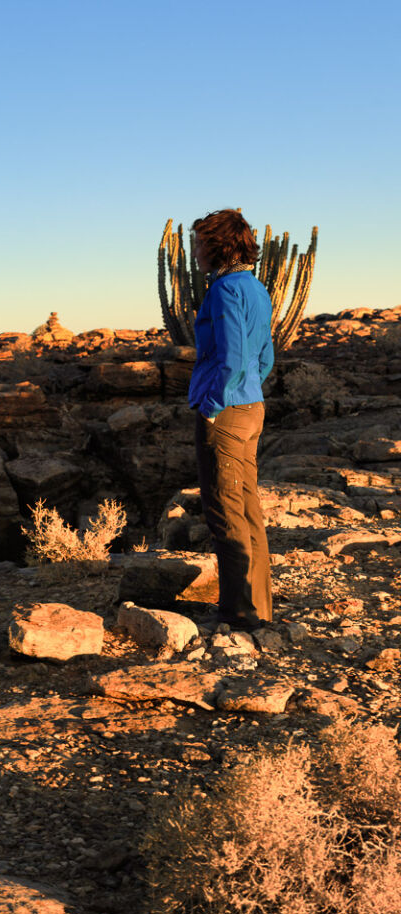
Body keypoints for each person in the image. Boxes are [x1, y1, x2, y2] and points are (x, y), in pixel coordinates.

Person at [188, 208, 274, 629]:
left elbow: (234, 359)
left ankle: (237, 614)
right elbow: (265, 357)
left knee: (225, 511)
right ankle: (257, 607)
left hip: (226, 413)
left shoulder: (223, 290)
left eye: (199, 244)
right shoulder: (256, 287)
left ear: (217, 245)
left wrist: (212, 405)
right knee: (248, 509)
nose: (195, 253)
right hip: (252, 408)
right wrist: (247, 391)